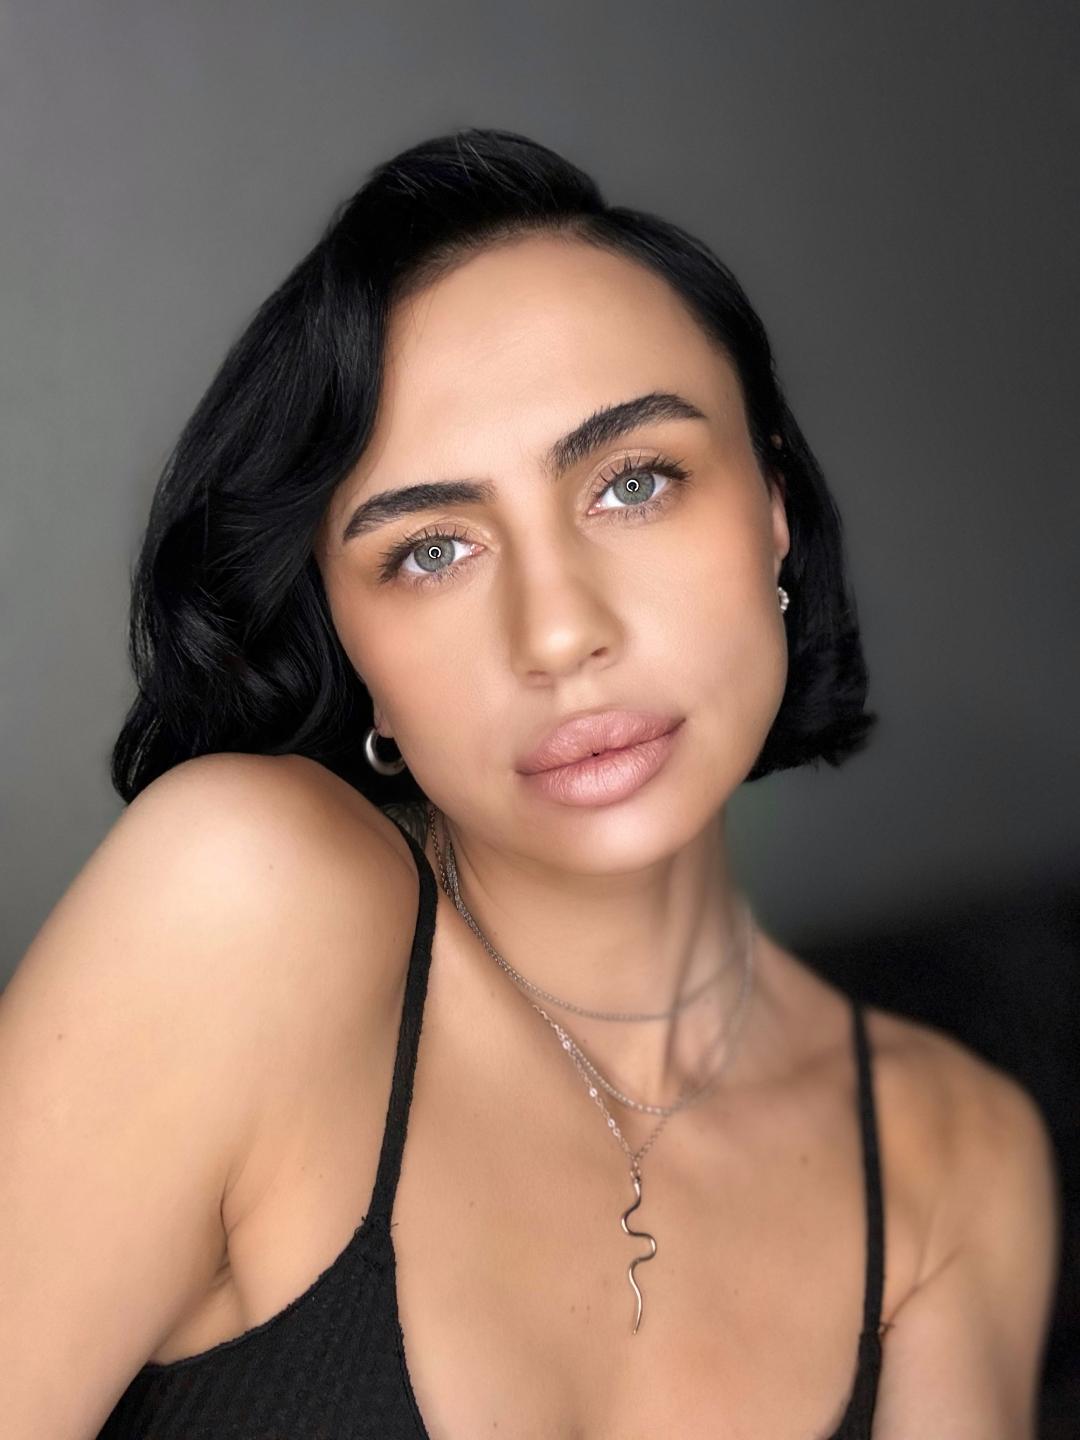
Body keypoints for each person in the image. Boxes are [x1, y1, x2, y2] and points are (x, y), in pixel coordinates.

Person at [0, 127, 1060, 1439]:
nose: (558, 633)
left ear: (774, 505)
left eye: (634, 482)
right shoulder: (244, 903)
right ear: (350, 645)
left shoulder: (955, 1161)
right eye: (431, 551)